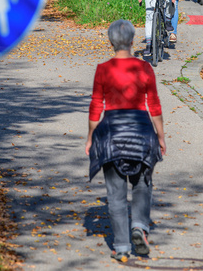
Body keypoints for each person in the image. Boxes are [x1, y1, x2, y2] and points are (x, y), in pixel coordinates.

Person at [85, 20, 166, 262]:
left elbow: (96, 105)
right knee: (142, 184)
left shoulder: (103, 69)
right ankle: (139, 226)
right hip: (141, 132)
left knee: (115, 194)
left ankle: (120, 247)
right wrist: (160, 137)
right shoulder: (144, 69)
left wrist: (91, 137)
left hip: (112, 134)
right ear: (132, 42)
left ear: (110, 43)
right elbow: (154, 105)